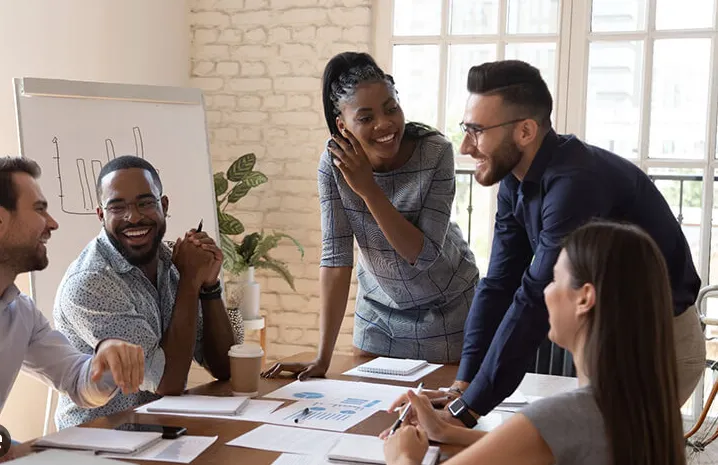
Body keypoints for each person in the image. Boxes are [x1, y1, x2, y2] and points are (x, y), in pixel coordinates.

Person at [387, 59, 705, 427]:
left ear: (525, 131)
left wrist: (468, 410)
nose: (465, 148)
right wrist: (464, 387)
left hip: (656, 346)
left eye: (476, 131)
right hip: (606, 340)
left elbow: (535, 296)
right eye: (465, 129)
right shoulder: (515, 179)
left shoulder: (575, 184)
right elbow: (500, 283)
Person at [384, 221, 687, 465]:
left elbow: (552, 434)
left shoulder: (564, 415)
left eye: (554, 280)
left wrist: (403, 456)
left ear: (584, 298)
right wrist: (446, 431)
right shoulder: (648, 410)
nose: (546, 293)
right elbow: (554, 446)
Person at [262, 52, 479, 379]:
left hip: (448, 309)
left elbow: (422, 255)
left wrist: (368, 189)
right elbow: (336, 258)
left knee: (436, 418)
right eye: (365, 118)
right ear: (342, 124)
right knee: (367, 418)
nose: (384, 124)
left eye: (391, 108)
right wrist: (322, 358)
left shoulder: (435, 152)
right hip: (379, 313)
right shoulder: (333, 164)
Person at [53, 155, 236, 428]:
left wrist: (209, 286)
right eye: (117, 207)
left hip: (161, 431)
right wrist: (189, 280)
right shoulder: (91, 282)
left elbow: (225, 367)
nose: (133, 216)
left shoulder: (171, 260)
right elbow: (167, 382)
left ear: (163, 205)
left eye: (145, 203)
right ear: (101, 215)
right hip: (100, 442)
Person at [0, 157, 144, 462]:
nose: (52, 223)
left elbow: (77, 381)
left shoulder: (19, 313)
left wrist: (106, 359)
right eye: (39, 209)